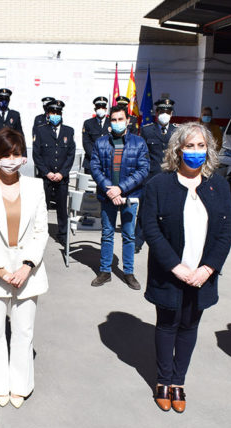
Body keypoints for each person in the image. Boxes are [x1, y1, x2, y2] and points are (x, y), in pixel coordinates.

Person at [141, 121, 231, 414]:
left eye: (201, 146)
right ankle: (163, 381)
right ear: (178, 149)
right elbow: (150, 229)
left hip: (202, 274)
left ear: (209, 150)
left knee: (190, 325)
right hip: (170, 273)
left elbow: (225, 232)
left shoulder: (218, 185)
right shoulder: (159, 184)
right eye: (189, 146)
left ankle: (179, 382)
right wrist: (175, 267)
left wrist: (207, 269)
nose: (195, 151)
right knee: (167, 324)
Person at [0, 127, 48, 409]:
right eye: (6, 154)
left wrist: (27, 266)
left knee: (24, 331)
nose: (12, 160)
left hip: (28, 271)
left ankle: (20, 384)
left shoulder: (35, 187)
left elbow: (41, 231)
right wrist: (0, 270)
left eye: (17, 154)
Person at [89, 104, 149, 289]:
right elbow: (95, 167)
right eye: (113, 120)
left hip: (129, 197)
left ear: (128, 120)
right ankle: (105, 271)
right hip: (108, 196)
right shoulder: (101, 143)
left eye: (120, 119)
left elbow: (143, 169)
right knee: (107, 234)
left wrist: (120, 189)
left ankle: (128, 273)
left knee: (129, 235)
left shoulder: (139, 143)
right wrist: (110, 190)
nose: (117, 123)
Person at [32, 99, 76, 245]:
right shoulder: (40, 130)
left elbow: (71, 154)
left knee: (62, 208)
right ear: (48, 114)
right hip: (46, 177)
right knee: (42, 207)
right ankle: (40, 233)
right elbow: (36, 155)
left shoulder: (69, 131)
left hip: (61, 178)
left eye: (58, 112)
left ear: (61, 114)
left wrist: (62, 173)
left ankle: (62, 234)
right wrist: (47, 173)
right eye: (52, 112)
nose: (55, 115)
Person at [137, 97, 177, 253]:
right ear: (157, 112)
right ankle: (138, 240)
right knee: (145, 210)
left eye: (167, 111)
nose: (164, 114)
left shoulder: (177, 131)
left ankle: (167, 241)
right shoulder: (147, 130)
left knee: (168, 211)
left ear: (171, 113)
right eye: (162, 111)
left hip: (170, 177)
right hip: (151, 177)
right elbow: (142, 154)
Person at [0, 88, 25, 155]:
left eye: (6, 99)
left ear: (9, 100)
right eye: (1, 99)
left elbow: (20, 134)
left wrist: (24, 154)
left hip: (10, 151)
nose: (4, 102)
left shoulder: (15, 115)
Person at [82, 96, 110, 173]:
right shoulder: (88, 123)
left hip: (109, 162)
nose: (101, 109)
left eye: (103, 107)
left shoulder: (111, 122)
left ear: (106, 109)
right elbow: (86, 143)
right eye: (98, 107)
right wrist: (96, 158)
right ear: (95, 109)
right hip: (91, 162)